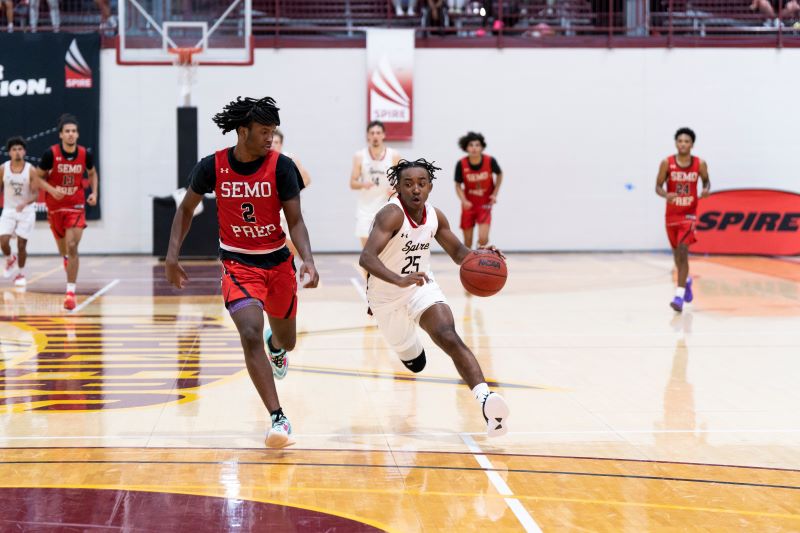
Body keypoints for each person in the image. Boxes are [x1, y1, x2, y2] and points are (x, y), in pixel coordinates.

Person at [164, 96, 319, 449]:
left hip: (278, 263)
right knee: (249, 332)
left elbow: (295, 220)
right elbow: (186, 209)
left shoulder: (282, 167)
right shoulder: (211, 166)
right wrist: (172, 256)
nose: (270, 138)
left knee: (286, 340)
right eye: (264, 132)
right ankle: (278, 418)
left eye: (273, 132)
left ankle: (276, 347)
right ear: (242, 130)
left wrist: (308, 259)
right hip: (238, 264)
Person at [359, 158, 510, 437]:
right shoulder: (390, 215)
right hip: (385, 297)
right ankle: (410, 350)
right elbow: (366, 258)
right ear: (398, 188)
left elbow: (460, 254)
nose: (415, 189)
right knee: (416, 363)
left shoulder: (435, 216)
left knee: (448, 334)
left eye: (421, 183)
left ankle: (486, 401)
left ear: (429, 187)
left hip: (421, 287)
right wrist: (398, 279)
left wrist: (484, 257)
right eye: (408, 184)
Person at [34, 114, 99, 310]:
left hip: (76, 206)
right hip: (55, 207)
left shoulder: (84, 154)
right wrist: (52, 190)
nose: (71, 134)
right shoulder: (50, 154)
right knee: (63, 248)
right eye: (67, 131)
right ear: (61, 135)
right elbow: (37, 179)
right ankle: (65, 259)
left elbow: (92, 173)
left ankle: (70, 293)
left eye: (73, 131)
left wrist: (94, 193)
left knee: (72, 246)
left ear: (77, 134)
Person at [655, 127, 710, 313]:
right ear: (676, 143)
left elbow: (706, 181)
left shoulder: (700, 164)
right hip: (671, 215)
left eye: (687, 141)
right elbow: (657, 186)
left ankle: (678, 296)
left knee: (684, 250)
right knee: (677, 255)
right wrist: (665, 194)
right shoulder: (666, 163)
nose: (683, 144)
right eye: (680, 141)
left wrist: (705, 189)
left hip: (689, 214)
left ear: (692, 144)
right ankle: (686, 281)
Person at [350, 120, 401, 248]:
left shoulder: (394, 155)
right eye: (372, 133)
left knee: (386, 249)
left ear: (383, 135)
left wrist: (395, 189)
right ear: (368, 136)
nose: (375, 136)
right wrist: (362, 184)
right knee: (367, 250)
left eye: (378, 133)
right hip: (365, 208)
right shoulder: (360, 156)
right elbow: (352, 183)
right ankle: (368, 269)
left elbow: (403, 182)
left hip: (387, 206)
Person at [454, 131, 503, 249]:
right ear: (466, 147)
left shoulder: (490, 161)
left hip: (484, 203)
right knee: (467, 242)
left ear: (482, 147)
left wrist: (494, 194)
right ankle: (468, 264)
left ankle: (479, 260)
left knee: (483, 239)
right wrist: (463, 200)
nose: (474, 148)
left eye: (477, 145)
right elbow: (457, 185)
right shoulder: (461, 163)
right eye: (471, 145)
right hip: (469, 204)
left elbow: (500, 174)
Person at [0, 137, 37, 287]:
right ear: (9, 152)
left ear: (24, 152)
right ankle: (10, 259)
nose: (17, 152)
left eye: (20, 149)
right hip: (9, 209)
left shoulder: (31, 170)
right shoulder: (3, 168)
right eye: (14, 149)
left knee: (22, 245)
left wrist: (25, 203)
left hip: (26, 211)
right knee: (3, 241)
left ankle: (20, 274)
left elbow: (35, 194)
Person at [272, 128, 311, 257]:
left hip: (289, 206)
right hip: (272, 208)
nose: (273, 144)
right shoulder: (262, 160)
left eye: (276, 142)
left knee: (292, 244)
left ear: (281, 144)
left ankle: (290, 270)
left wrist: (290, 192)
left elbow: (306, 179)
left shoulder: (289, 158)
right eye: (271, 141)